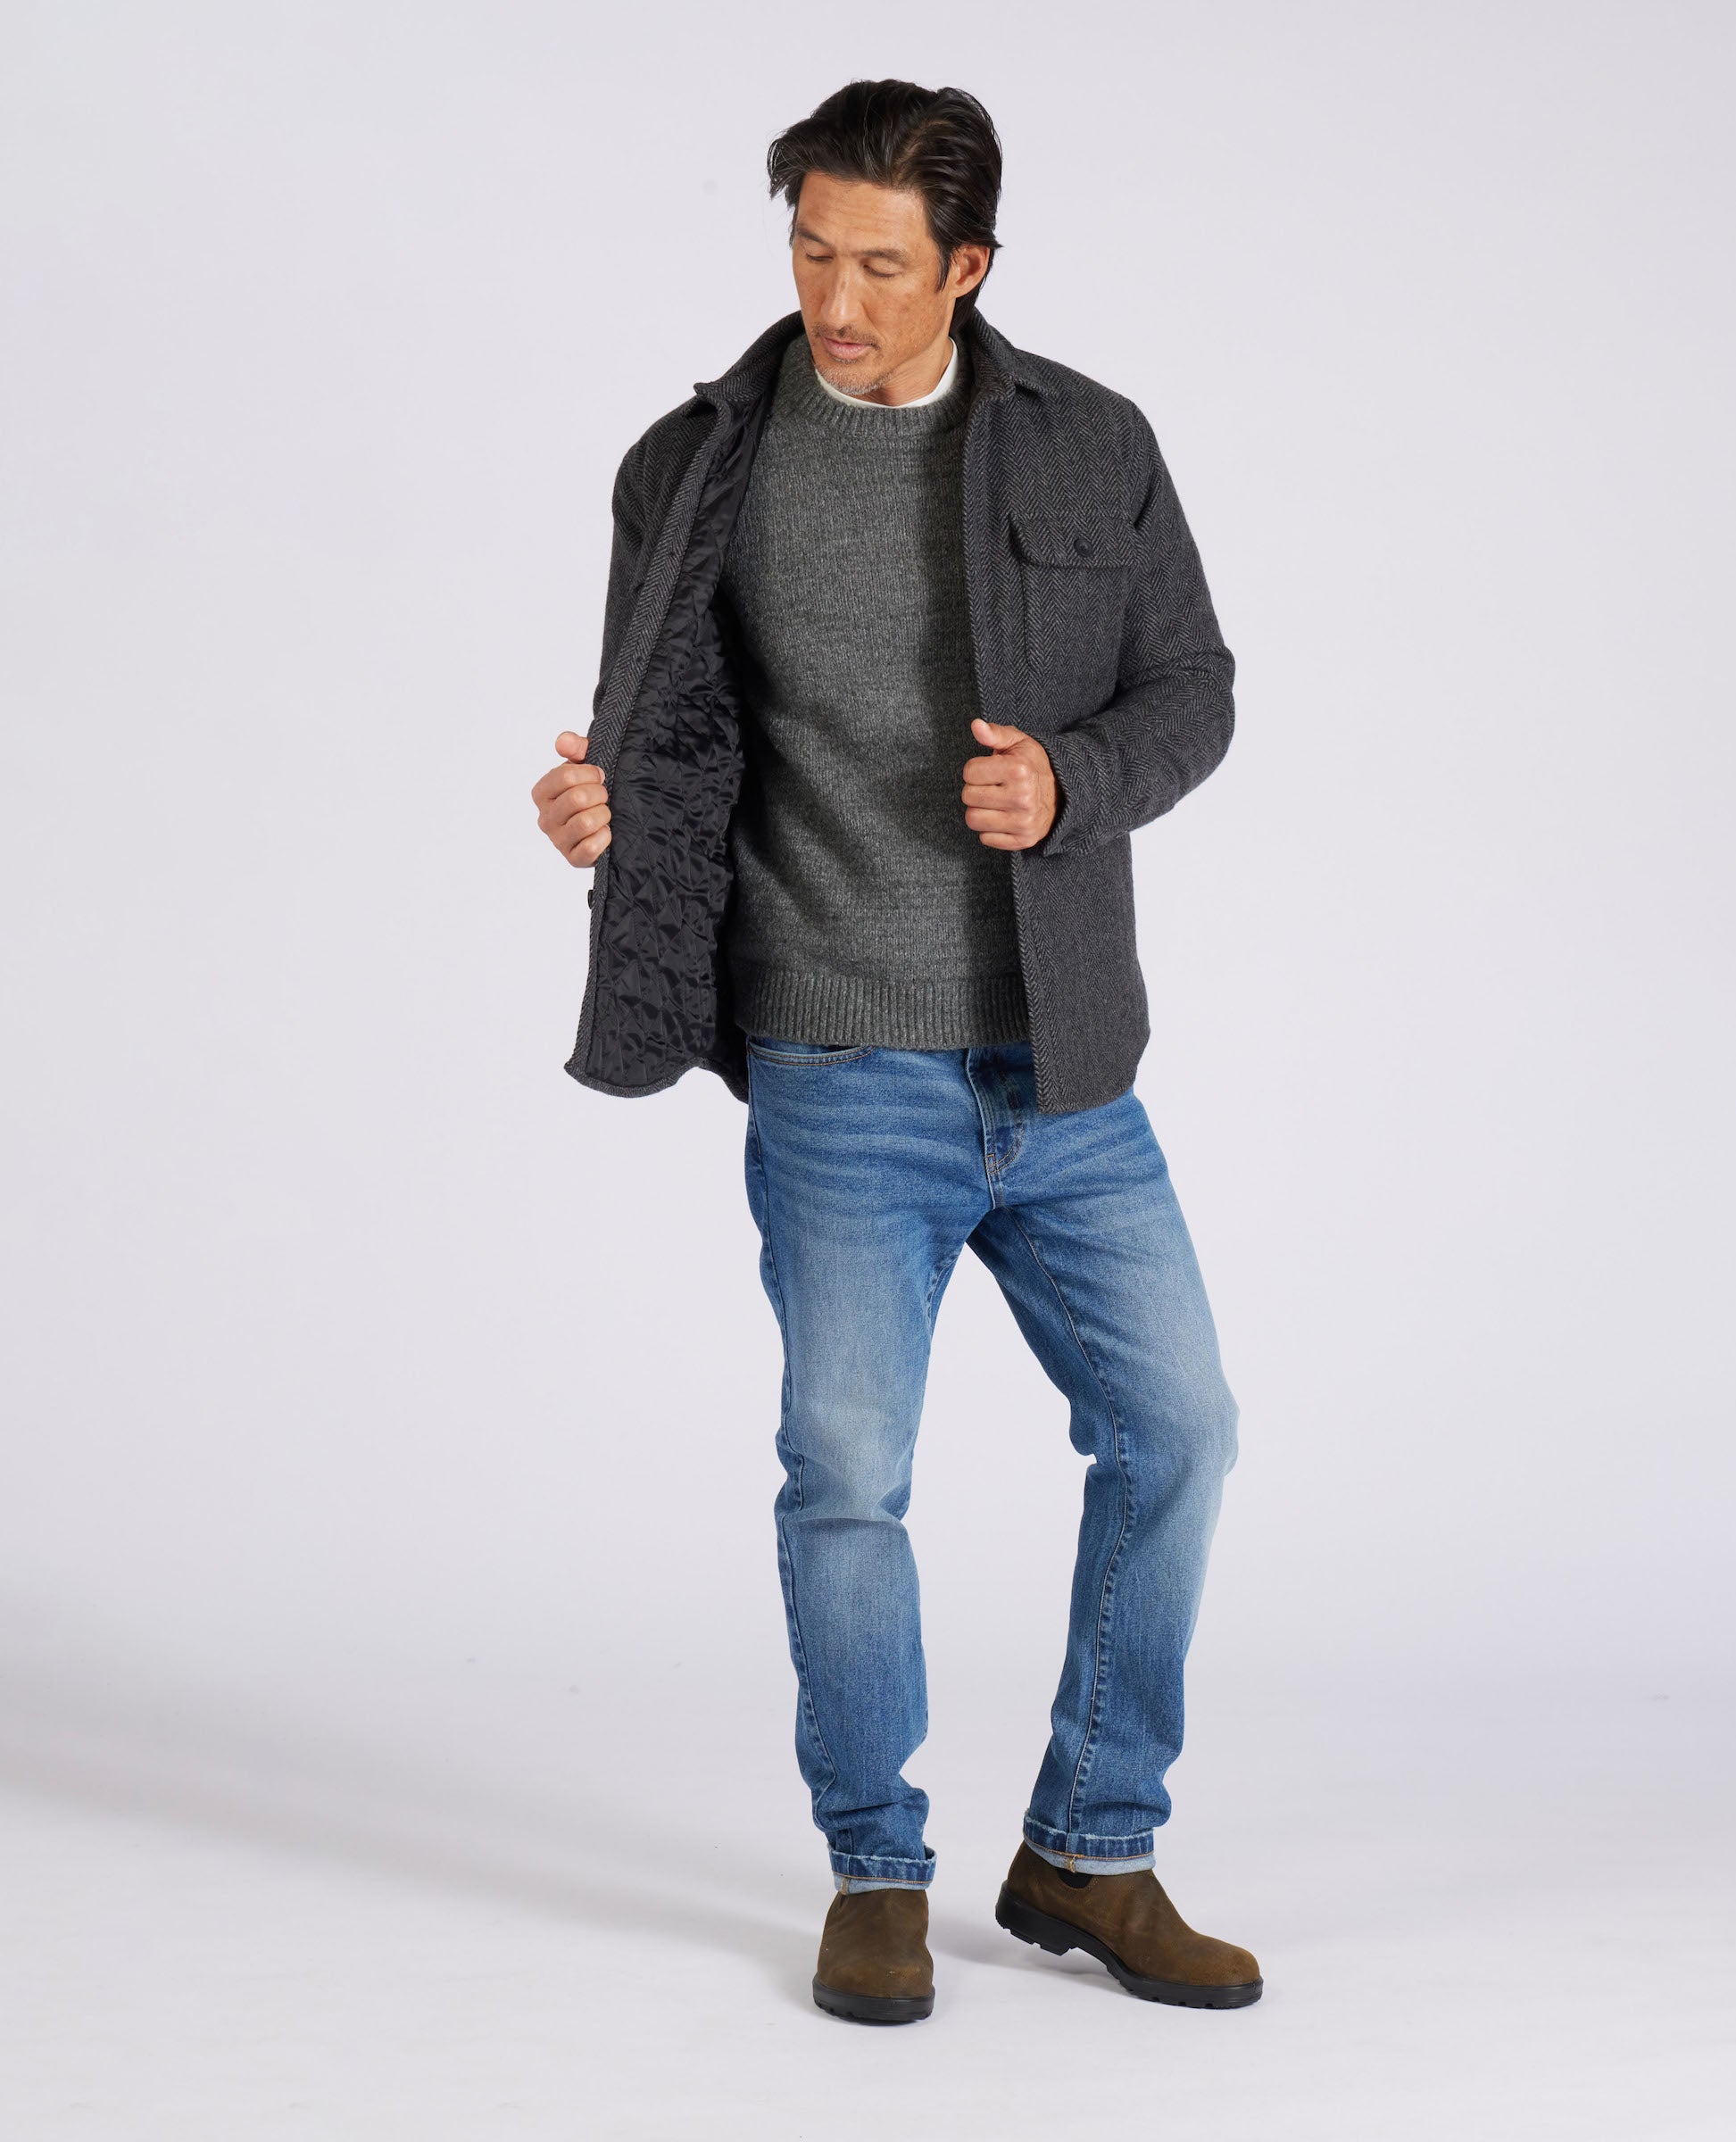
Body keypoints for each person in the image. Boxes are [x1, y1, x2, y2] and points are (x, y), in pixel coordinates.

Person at [529, 79, 1258, 2023]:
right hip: (839, 1065)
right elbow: (660, 740)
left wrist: (1077, 778)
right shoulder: (694, 466)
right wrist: (603, 814)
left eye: (876, 264)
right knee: (847, 1472)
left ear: (969, 268)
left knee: (1182, 1430)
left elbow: (1197, 688)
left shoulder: (1092, 444)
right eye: (807, 251)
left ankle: (1092, 1848)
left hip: (1062, 1068)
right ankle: (877, 1866)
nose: (834, 301)